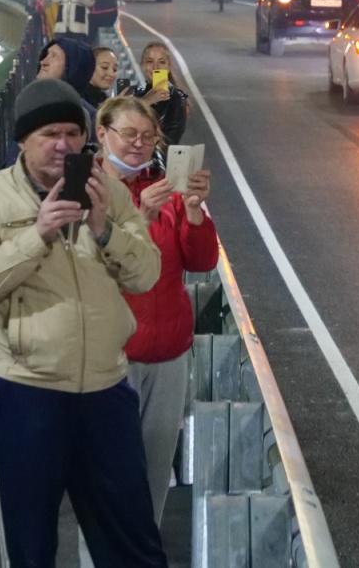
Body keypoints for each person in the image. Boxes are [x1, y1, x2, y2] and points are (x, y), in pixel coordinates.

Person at [0, 78, 164, 568]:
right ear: (23, 140)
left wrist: (104, 228)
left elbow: (146, 273)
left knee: (134, 543)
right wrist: (38, 234)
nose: (63, 144)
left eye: (72, 132)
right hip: (28, 392)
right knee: (32, 546)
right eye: (49, 133)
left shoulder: (107, 192)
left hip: (107, 391)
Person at [94, 96, 218, 521]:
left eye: (148, 137)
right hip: (110, 361)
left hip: (168, 354)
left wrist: (195, 212)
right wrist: (141, 218)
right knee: (108, 479)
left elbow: (202, 262)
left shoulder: (166, 190)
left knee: (152, 478)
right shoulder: (86, 192)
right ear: (102, 134)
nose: (138, 144)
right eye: (128, 134)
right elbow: (89, 271)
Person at [129, 41, 189, 146]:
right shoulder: (133, 95)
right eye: (150, 61)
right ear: (142, 65)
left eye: (161, 62)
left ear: (169, 66)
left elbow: (169, 141)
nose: (155, 67)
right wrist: (146, 101)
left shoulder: (176, 98)